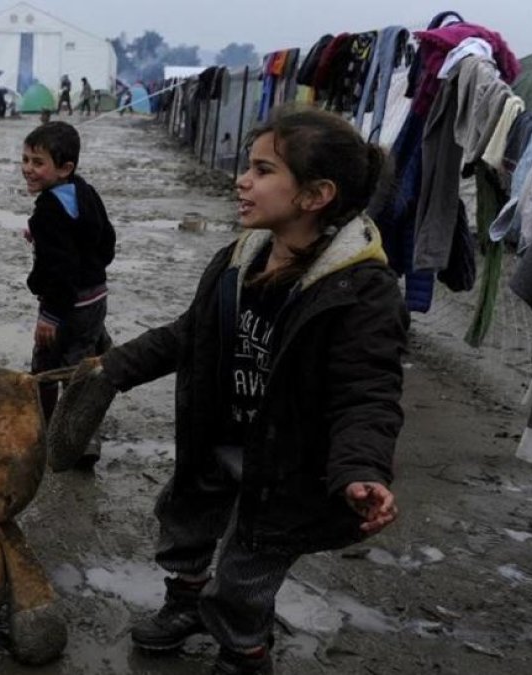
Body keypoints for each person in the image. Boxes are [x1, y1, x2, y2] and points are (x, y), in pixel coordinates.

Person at [50, 105, 407, 674]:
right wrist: (114, 367)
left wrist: (362, 469)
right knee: (185, 522)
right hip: (217, 433)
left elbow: (367, 393)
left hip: (287, 462)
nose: (242, 180)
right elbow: (189, 335)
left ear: (315, 196)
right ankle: (186, 600)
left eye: (263, 171)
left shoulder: (361, 293)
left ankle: (244, 650)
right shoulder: (239, 261)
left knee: (249, 566)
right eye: (248, 166)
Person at [21, 121, 115, 467]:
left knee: (45, 368)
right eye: (26, 159)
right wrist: (93, 268)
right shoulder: (84, 191)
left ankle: (43, 431)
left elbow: (58, 270)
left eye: (37, 162)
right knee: (82, 366)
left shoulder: (47, 209)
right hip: (95, 298)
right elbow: (106, 240)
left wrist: (49, 315)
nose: (28, 169)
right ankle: (86, 439)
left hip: (65, 307)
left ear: (65, 168)